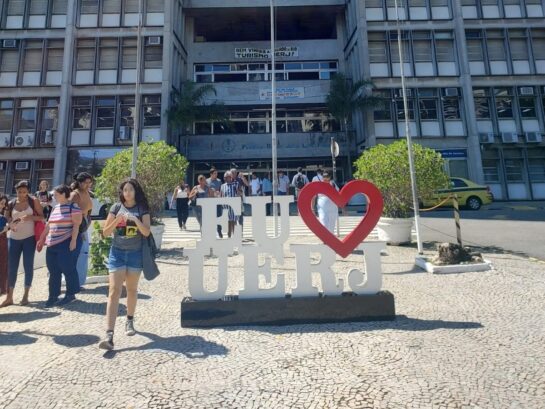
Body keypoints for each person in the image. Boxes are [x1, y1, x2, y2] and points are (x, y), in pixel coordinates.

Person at [98, 178, 151, 351]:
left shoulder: (142, 208)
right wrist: (117, 220)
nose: (127, 193)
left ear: (136, 191)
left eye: (130, 189)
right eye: (124, 190)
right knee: (114, 291)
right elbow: (105, 233)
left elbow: (146, 232)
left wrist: (135, 220)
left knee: (132, 290)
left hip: (135, 254)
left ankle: (129, 319)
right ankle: (109, 334)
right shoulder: (115, 208)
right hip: (117, 254)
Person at [37, 185, 82, 307]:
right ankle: (53, 296)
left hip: (66, 242)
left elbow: (76, 225)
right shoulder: (55, 207)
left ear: (63, 194)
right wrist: (41, 238)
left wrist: (73, 241)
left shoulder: (74, 207)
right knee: (53, 270)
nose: (54, 196)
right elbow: (49, 224)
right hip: (52, 243)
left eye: (56, 194)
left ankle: (70, 294)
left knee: (68, 268)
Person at [1, 180, 44, 307]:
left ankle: (25, 296)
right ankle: (9, 297)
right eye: (19, 192)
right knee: (11, 268)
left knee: (28, 266)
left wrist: (30, 217)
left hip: (29, 238)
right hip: (13, 238)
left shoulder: (33, 201)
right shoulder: (11, 203)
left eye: (24, 192)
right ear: (16, 191)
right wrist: (11, 224)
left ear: (28, 192)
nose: (21, 194)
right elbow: (6, 218)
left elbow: (42, 216)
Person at [70, 172, 93, 288]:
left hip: (84, 225)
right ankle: (74, 282)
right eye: (86, 182)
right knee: (77, 254)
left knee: (83, 254)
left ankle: (79, 282)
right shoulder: (75, 195)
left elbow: (88, 209)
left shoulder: (86, 192)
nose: (88, 185)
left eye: (90, 182)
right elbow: (71, 213)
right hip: (77, 226)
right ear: (79, 182)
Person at [220, 171, 241, 238]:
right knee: (228, 221)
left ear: (230, 177)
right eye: (224, 177)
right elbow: (221, 195)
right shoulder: (222, 186)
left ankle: (235, 235)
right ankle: (229, 235)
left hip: (234, 205)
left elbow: (240, 192)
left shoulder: (235, 184)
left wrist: (238, 191)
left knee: (234, 221)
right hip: (226, 206)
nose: (225, 179)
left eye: (226, 177)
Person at [206, 168, 224, 238]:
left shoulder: (219, 181)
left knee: (219, 217)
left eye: (217, 173)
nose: (216, 175)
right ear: (211, 174)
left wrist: (218, 193)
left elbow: (221, 191)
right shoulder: (207, 181)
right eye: (215, 173)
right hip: (209, 202)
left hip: (218, 202)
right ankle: (211, 232)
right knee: (210, 218)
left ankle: (219, 230)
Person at [0, 195, 9, 296]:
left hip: (3, 245)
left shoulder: (3, 218)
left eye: (4, 204)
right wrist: (4, 229)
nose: (3, 206)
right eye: (1, 203)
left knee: (2, 267)